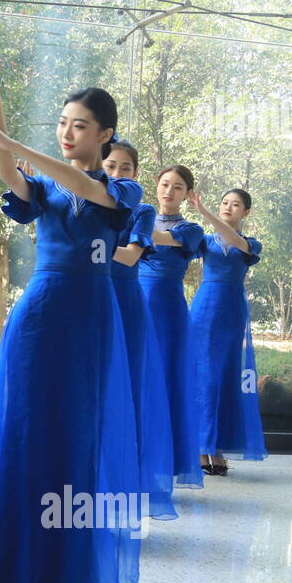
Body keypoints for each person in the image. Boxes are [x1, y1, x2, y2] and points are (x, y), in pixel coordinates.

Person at [0, 86, 143, 583]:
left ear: (105, 134)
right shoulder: (46, 184)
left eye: (79, 126)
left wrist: (18, 144)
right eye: (62, 123)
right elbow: (10, 171)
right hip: (40, 321)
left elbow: (85, 186)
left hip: (92, 323)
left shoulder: (120, 188)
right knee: (34, 446)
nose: (67, 132)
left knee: (77, 451)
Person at [103, 140, 177, 518]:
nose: (117, 174)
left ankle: (120, 497)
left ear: (135, 174)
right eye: (111, 166)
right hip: (91, 300)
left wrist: (90, 245)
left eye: (126, 168)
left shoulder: (142, 210)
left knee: (126, 396)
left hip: (127, 304)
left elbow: (131, 256)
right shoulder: (86, 203)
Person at [189, 188, 267, 474]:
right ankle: (200, 448)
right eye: (224, 203)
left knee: (223, 379)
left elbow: (235, 241)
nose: (228, 208)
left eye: (235, 205)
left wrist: (205, 213)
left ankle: (217, 448)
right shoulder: (204, 241)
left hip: (231, 313)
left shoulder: (251, 244)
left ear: (246, 212)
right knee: (203, 378)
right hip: (203, 310)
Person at [137, 166, 206, 488]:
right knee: (134, 381)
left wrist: (126, 222)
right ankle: (132, 458)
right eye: (165, 184)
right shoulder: (138, 216)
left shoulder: (191, 230)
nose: (169, 191)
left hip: (168, 313)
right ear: (156, 185)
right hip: (134, 303)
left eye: (177, 187)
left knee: (164, 382)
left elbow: (159, 238)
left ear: (186, 194)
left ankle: (162, 462)